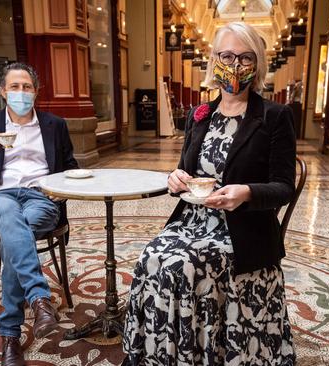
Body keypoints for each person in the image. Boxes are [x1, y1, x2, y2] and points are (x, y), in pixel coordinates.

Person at [122, 22, 297, 365]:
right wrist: (175, 178)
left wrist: (244, 193)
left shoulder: (275, 116)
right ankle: (157, 355)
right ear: (213, 60)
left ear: (258, 64)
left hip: (243, 228)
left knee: (181, 265)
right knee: (151, 256)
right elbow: (184, 168)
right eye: (227, 55)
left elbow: (283, 187)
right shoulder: (200, 115)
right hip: (192, 220)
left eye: (245, 57)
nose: (235, 66)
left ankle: (197, 355)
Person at [0, 62, 78, 365]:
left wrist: (60, 189)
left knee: (17, 230)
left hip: (42, 198)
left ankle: (10, 334)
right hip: (1, 197)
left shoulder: (55, 124)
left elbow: (70, 166)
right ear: (3, 91)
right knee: (12, 217)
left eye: (27, 87)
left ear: (36, 92)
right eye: (14, 87)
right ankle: (39, 300)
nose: (21, 92)